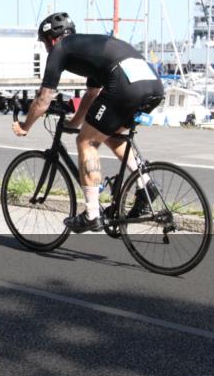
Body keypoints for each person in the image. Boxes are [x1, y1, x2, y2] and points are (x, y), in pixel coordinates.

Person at [12, 12, 164, 233]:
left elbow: (43, 99)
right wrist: (74, 123)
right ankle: (146, 185)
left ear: (52, 38)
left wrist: (25, 126)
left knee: (86, 142)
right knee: (111, 134)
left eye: (45, 43)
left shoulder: (60, 49)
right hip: (153, 85)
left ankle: (91, 214)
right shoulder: (89, 47)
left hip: (124, 84)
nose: (47, 49)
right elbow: (92, 94)